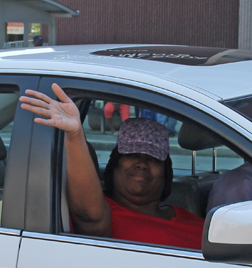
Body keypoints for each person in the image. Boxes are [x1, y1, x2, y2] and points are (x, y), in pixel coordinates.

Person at [20, 83, 204, 250]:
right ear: (114, 165)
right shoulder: (103, 212)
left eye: (154, 159)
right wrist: (75, 134)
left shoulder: (187, 215)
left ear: (166, 174)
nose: (142, 164)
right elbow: (89, 217)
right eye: (132, 155)